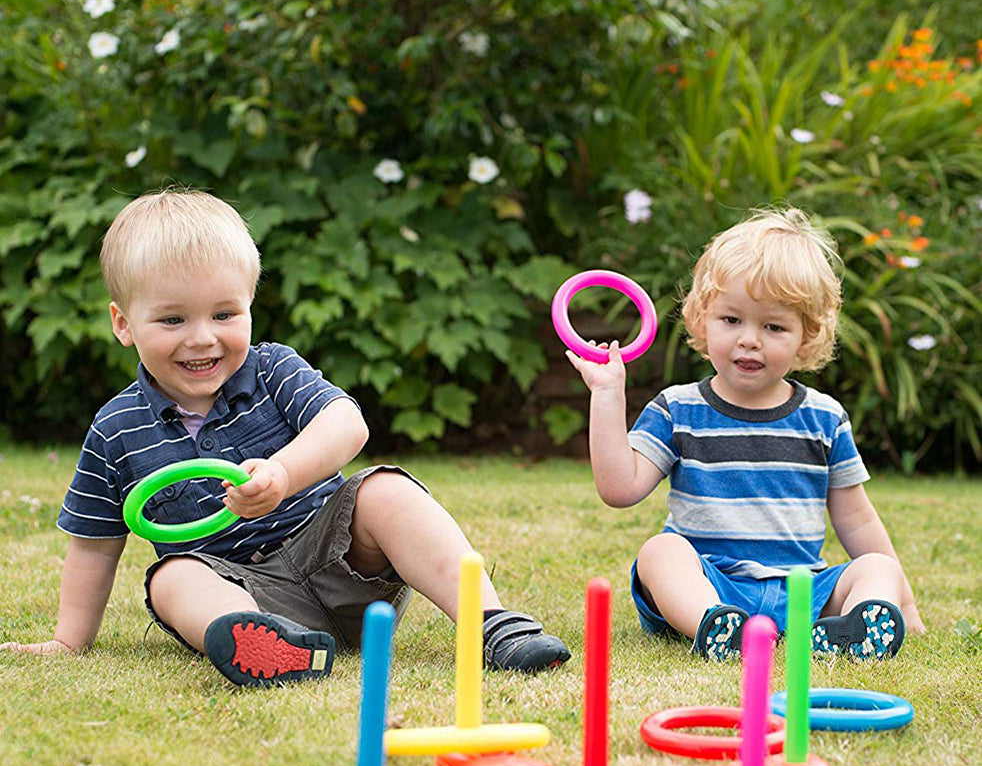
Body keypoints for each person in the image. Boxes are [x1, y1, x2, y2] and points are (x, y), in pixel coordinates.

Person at [1, 190, 570, 685]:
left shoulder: (272, 369)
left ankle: (495, 625)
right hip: (242, 592)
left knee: (386, 491)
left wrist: (284, 472)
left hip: (340, 567)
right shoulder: (117, 429)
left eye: (224, 314)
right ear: (123, 323)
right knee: (172, 577)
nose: (202, 339)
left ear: (250, 306)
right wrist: (69, 641)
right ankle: (269, 647)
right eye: (173, 320)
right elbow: (94, 544)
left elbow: (348, 423)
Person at [566, 207, 924, 661]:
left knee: (876, 568)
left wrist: (903, 602)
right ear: (702, 318)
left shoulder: (825, 418)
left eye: (773, 326)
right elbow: (618, 489)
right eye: (731, 320)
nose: (749, 339)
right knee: (661, 552)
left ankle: (854, 631)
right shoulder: (678, 409)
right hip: (709, 583)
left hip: (802, 593)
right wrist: (607, 394)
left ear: (806, 336)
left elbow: (856, 520)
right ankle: (716, 629)